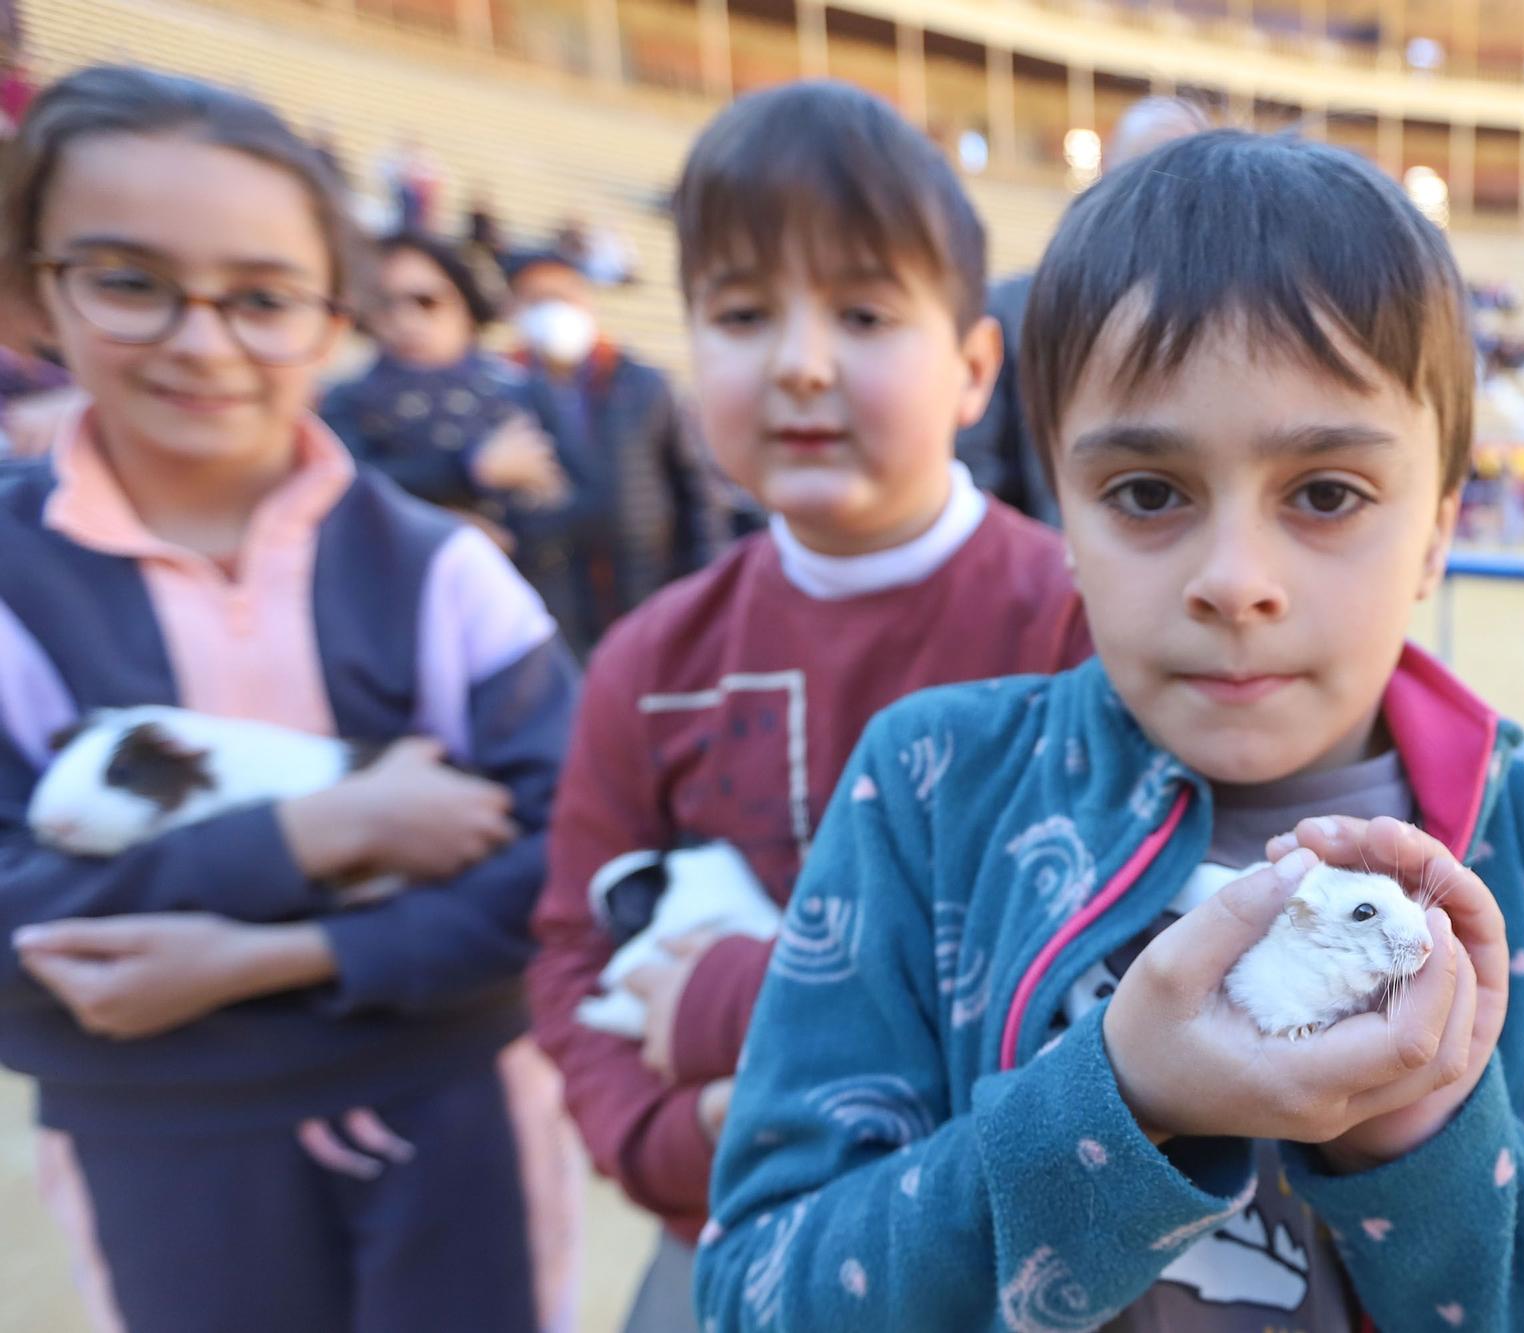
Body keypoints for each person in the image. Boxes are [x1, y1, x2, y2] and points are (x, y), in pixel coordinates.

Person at [695, 131, 1524, 1331]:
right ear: (1060, 511)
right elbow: (755, 1291)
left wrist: (1423, 1135)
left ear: (1438, 528)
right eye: (1146, 493)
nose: (1235, 579)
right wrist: (1112, 1106)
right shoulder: (928, 793)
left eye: (1325, 494)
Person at [0, 66, 582, 1332]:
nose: (201, 340)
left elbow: (565, 868)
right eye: (130, 282)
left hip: (453, 1105)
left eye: (260, 299)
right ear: (39, 288)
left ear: (331, 318)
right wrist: (321, 833)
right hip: (157, 1135)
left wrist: (276, 951)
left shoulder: (445, 574)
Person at [526, 81, 1093, 1333]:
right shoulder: (646, 661)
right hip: (732, 1219)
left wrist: (753, 1011)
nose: (797, 360)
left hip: (1002, 1244)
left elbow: (1089, 977)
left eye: (861, 310)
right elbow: (571, 957)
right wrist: (681, 1133)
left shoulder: (1077, 622)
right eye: (740, 312)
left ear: (974, 368)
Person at [318, 230, 608, 649]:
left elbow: (595, 504)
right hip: (395, 627)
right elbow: (338, 492)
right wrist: (470, 477)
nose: (405, 319)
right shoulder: (345, 401)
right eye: (385, 302)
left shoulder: (522, 391)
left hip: (529, 619)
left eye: (426, 301)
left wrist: (521, 531)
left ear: (464, 304)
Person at [955, 95, 1211, 527]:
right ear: (1107, 175)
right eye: (1152, 168)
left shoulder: (1241, 316)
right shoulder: (1014, 309)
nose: (1170, 191)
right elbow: (979, 479)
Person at [507, 249, 722, 640]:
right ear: (515, 310)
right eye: (536, 300)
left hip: (647, 585)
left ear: (586, 300)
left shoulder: (644, 383)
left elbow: (696, 487)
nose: (552, 310)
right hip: (550, 595)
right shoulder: (499, 389)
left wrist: (706, 580)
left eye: (562, 296)